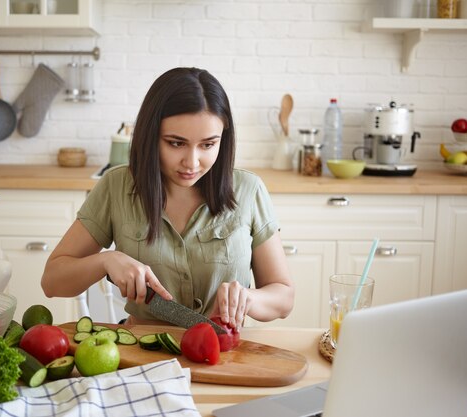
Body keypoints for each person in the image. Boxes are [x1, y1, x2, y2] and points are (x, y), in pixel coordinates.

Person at [42, 67, 294, 330]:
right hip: (142, 353)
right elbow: (52, 281)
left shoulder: (249, 190)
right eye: (176, 143)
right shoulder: (116, 187)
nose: (192, 162)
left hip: (225, 354)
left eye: (208, 145)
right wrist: (107, 260)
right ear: (151, 136)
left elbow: (284, 297)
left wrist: (249, 298)